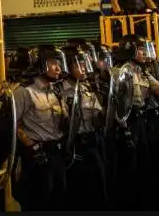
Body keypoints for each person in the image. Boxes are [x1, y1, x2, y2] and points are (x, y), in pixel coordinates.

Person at [113, 35, 159, 210]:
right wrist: (124, 128)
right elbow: (118, 104)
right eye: (141, 49)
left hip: (142, 123)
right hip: (128, 123)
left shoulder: (143, 72)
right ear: (131, 50)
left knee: (145, 163)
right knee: (130, 167)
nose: (145, 53)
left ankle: (146, 200)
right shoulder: (121, 71)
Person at [11, 44, 67, 211]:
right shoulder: (24, 92)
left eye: (59, 62)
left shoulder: (55, 90)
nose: (58, 68)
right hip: (36, 158)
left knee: (59, 201)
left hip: (55, 153)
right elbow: (12, 125)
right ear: (40, 64)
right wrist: (31, 146)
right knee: (38, 203)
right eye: (53, 63)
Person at [59, 45, 107, 210]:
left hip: (92, 144)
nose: (84, 68)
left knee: (99, 188)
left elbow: (98, 115)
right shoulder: (61, 91)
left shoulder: (87, 86)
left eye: (84, 63)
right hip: (74, 148)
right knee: (78, 194)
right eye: (78, 65)